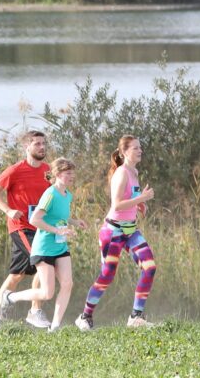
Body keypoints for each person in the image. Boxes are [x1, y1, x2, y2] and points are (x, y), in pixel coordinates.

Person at [75, 135, 157, 330]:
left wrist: (140, 204)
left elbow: (131, 198)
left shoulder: (134, 171)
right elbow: (117, 204)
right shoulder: (121, 173)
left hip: (130, 229)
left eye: (140, 147)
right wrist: (141, 198)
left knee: (150, 267)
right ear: (124, 152)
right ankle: (85, 317)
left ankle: (136, 317)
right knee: (107, 275)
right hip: (113, 231)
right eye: (136, 148)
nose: (140, 151)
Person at [0, 158, 86, 332]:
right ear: (58, 174)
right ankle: (11, 297)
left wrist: (74, 222)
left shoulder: (68, 195)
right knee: (47, 293)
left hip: (60, 246)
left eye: (73, 173)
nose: (72, 177)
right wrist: (58, 231)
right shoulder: (50, 194)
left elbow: (59, 216)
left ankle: (55, 327)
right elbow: (35, 219)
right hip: (44, 247)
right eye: (68, 173)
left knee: (67, 284)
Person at [0, 130, 52, 330]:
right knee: (44, 260)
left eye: (43, 143)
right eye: (37, 144)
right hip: (22, 226)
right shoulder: (15, 170)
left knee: (17, 275)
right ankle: (35, 311)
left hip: (41, 226)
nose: (42, 147)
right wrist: (8, 210)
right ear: (27, 147)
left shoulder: (48, 170)